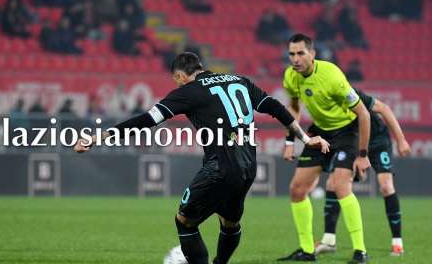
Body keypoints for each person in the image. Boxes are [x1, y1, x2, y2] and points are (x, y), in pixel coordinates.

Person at [74, 52, 329, 264]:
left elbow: (146, 121)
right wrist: (306, 139)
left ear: (179, 76)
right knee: (229, 223)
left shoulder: (189, 91)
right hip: (248, 167)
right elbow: (275, 107)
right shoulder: (239, 80)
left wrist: (98, 137)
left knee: (184, 221)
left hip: (218, 168)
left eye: (176, 81)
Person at [277, 34, 371, 263]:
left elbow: (364, 114)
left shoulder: (332, 75)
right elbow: (295, 107)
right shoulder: (291, 76)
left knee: (340, 185)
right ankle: (307, 251)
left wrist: (362, 155)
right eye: (292, 54)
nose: (296, 59)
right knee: (297, 189)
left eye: (301, 53)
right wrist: (290, 141)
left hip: (346, 132)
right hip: (319, 133)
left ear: (313, 54)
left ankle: (360, 252)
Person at [316, 88, 411, 257]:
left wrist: (401, 140)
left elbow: (384, 109)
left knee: (386, 186)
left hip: (377, 141)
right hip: (354, 142)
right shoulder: (323, 104)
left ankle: (397, 242)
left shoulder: (348, 94)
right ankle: (329, 240)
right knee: (333, 182)